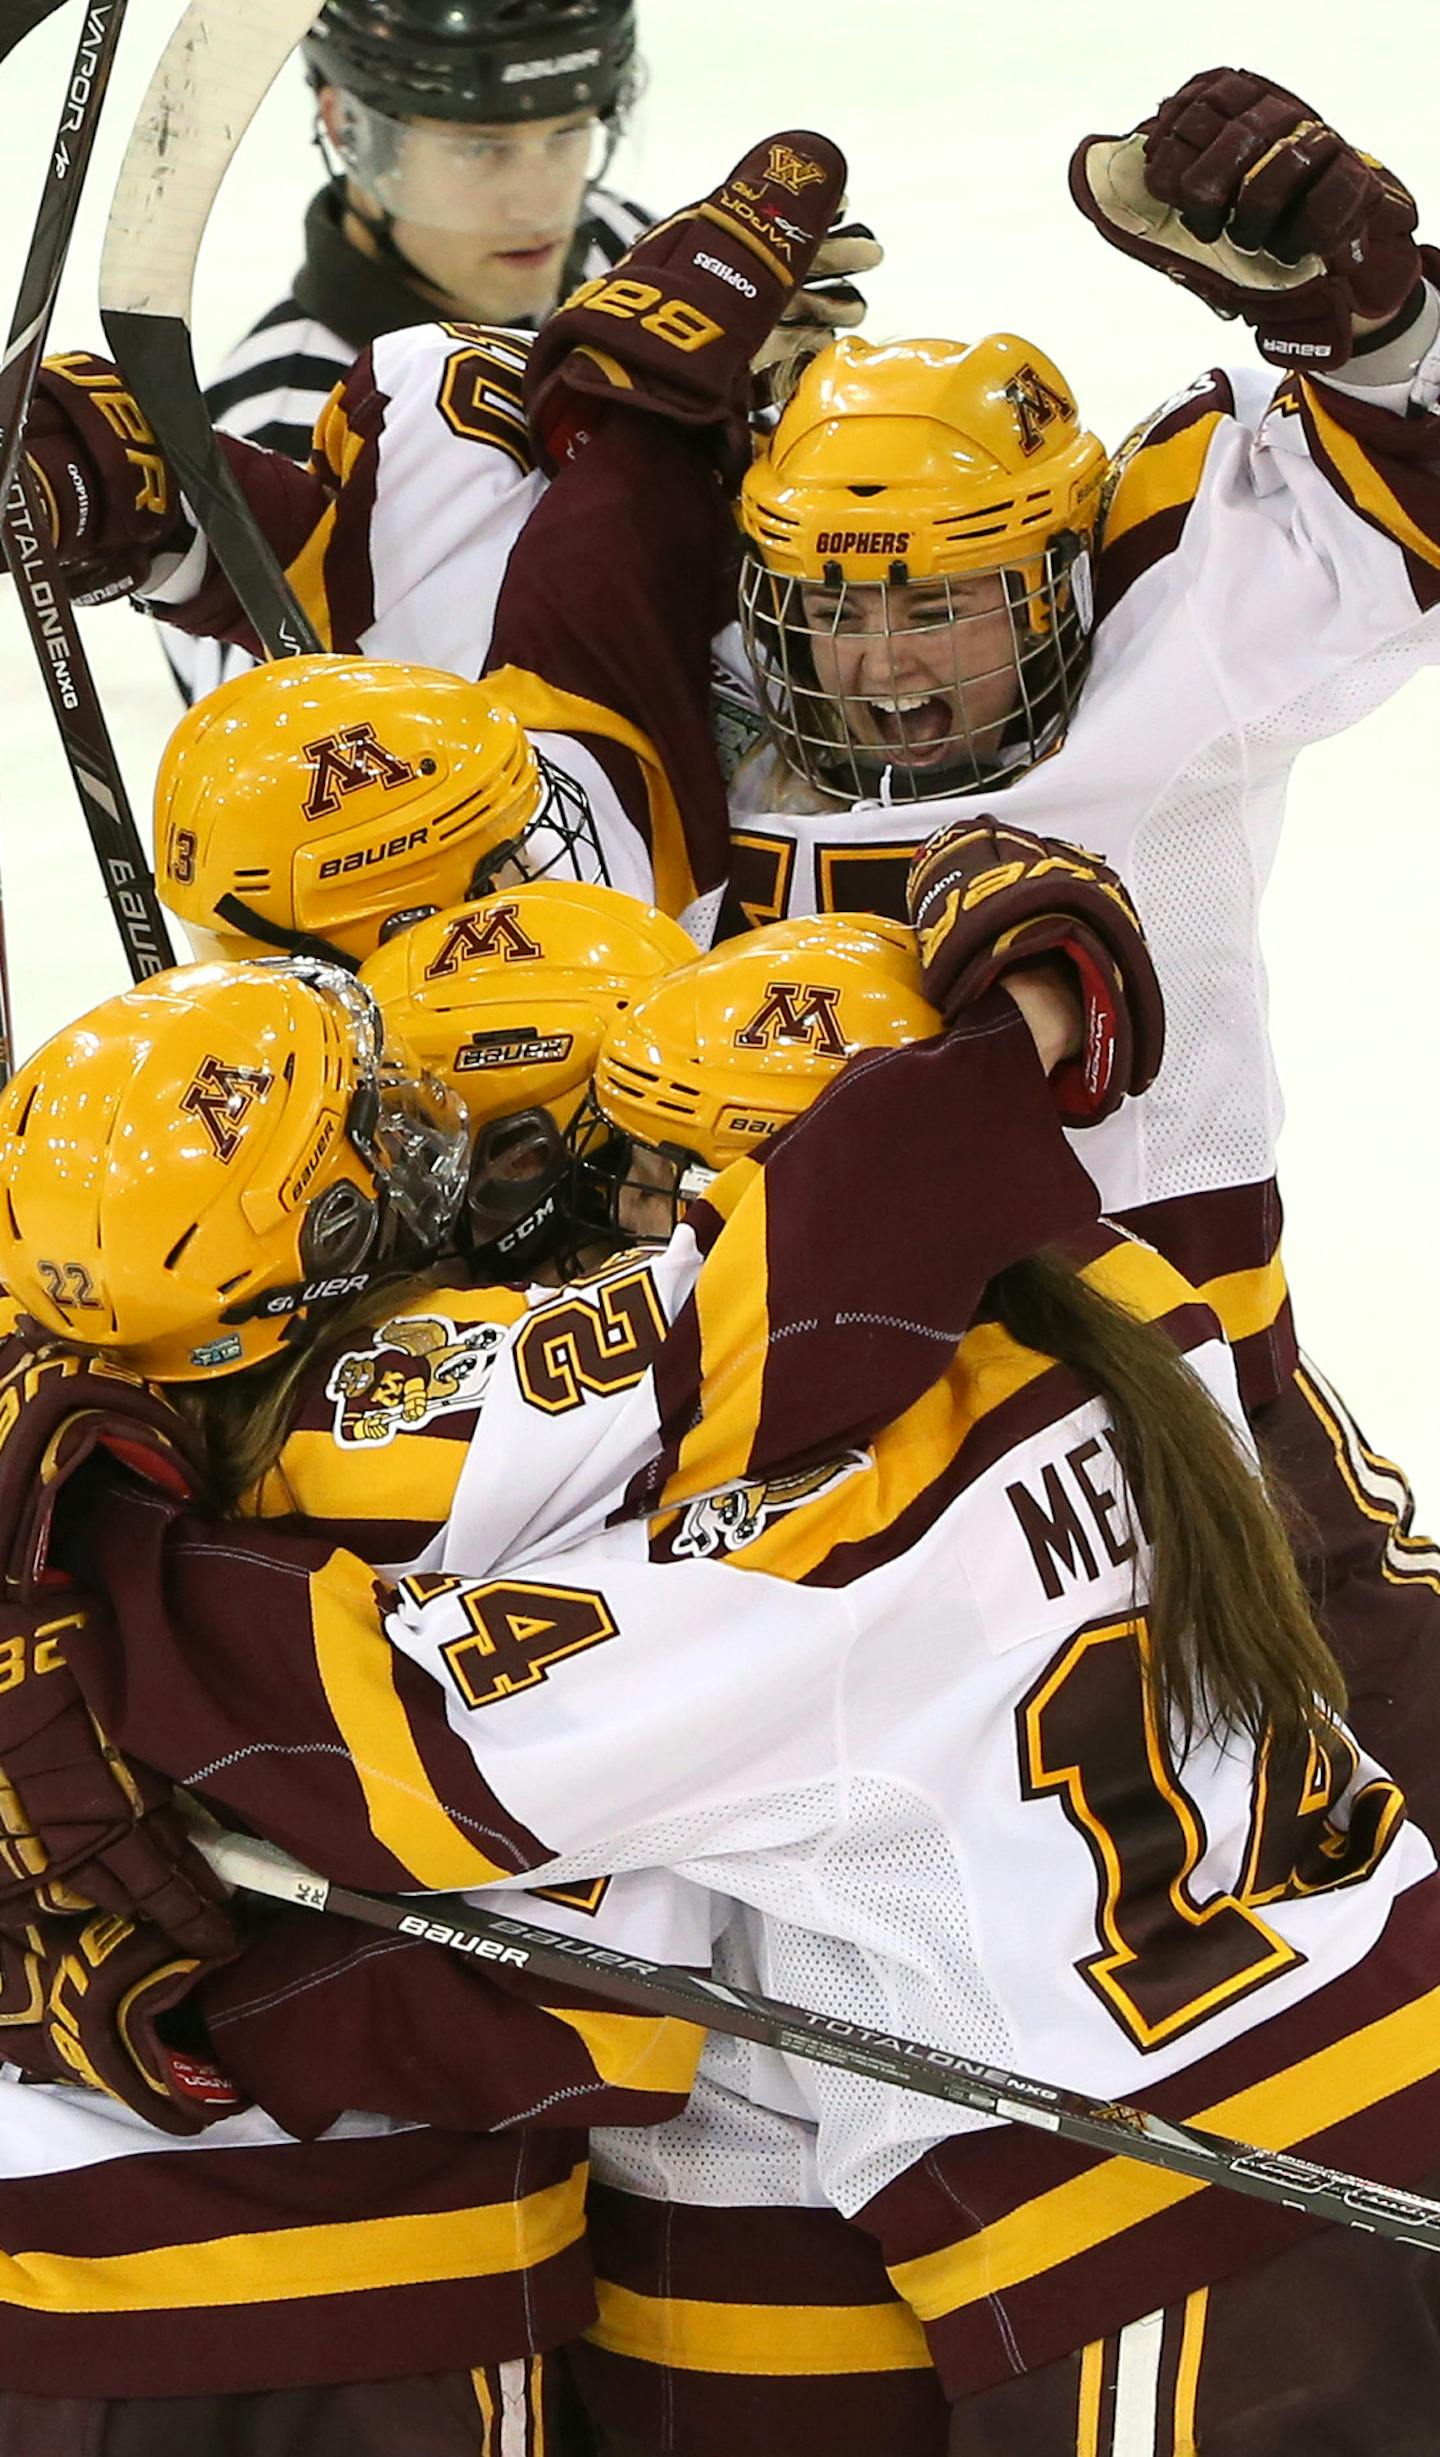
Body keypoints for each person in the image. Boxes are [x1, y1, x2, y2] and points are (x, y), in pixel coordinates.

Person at [6, 851, 1440, 2454]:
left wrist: (105, 1554)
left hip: (1169, 2229)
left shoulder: (788, 1564)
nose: (630, 1220)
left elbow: (399, 1749)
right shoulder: (1140, 1305)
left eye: (657, 1175)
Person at [0, 951, 713, 2453]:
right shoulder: (441, 1439)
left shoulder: (36, 1456)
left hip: (45, 2274)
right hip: (380, 2267)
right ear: (324, 1221)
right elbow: (793, 1310)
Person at [163, 0, 651, 705]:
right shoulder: (276, 422)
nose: (539, 204)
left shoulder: (627, 250)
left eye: (567, 132)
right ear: (347, 126)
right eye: (479, 147)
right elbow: (294, 764)